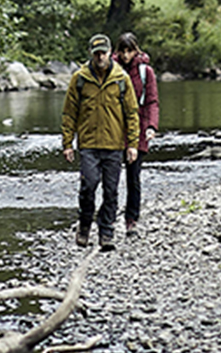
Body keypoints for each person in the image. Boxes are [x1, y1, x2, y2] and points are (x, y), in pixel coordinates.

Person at [62, 33, 139, 251]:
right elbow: (69, 114)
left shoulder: (121, 79)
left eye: (103, 53)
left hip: (114, 146)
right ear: (91, 54)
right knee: (88, 186)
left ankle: (106, 233)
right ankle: (85, 226)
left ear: (109, 53)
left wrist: (132, 144)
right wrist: (68, 144)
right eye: (96, 53)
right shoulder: (79, 79)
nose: (100, 57)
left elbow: (132, 114)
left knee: (111, 191)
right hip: (88, 145)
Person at [113, 32, 159, 238]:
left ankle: (131, 220)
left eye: (129, 51)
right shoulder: (110, 69)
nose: (125, 55)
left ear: (135, 50)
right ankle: (108, 219)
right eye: (122, 51)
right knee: (110, 177)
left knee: (133, 177)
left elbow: (151, 101)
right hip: (113, 128)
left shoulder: (145, 72)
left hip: (138, 129)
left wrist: (151, 126)